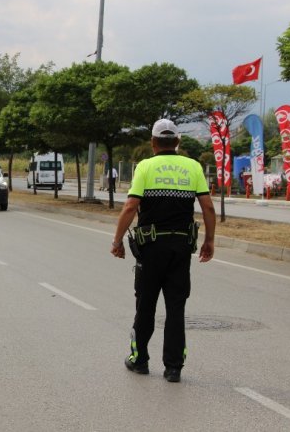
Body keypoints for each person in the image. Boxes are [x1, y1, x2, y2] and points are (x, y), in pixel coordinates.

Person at [110, 118, 216, 383]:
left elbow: (131, 206)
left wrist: (117, 241)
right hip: (181, 249)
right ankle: (173, 368)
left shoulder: (145, 166)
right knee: (175, 308)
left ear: (153, 142)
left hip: (150, 250)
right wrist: (209, 241)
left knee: (145, 306)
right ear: (178, 141)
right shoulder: (192, 166)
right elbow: (208, 207)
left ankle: (140, 360)